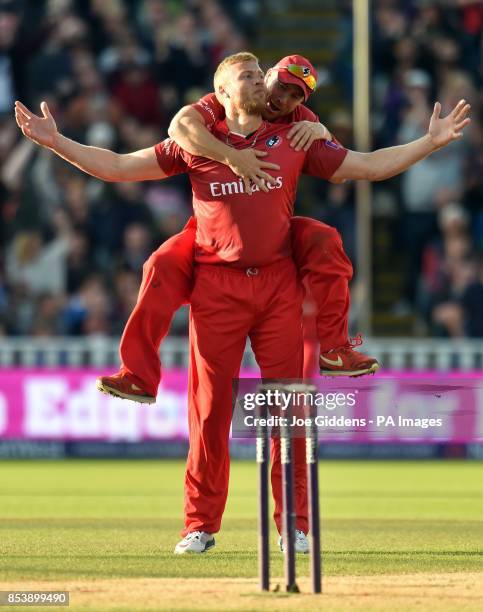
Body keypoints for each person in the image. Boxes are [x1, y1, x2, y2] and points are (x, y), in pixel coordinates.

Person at [15, 52, 470, 555]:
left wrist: (429, 142)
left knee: (289, 411)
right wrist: (56, 143)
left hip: (276, 283)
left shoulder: (296, 134)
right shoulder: (197, 138)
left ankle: (293, 526)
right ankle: (200, 526)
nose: (262, 83)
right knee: (209, 415)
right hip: (217, 285)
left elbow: (368, 166)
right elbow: (120, 167)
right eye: (249, 76)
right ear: (223, 92)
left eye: (261, 74)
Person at [98, 55, 378, 410]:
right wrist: (232, 156)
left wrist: (325, 132)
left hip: (276, 238)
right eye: (279, 86)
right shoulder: (217, 108)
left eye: (296, 96)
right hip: (211, 239)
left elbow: (354, 167)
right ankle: (137, 373)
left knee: (324, 239)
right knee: (160, 263)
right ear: (267, 76)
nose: (284, 99)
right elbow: (176, 127)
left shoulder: (300, 122)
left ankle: (336, 349)